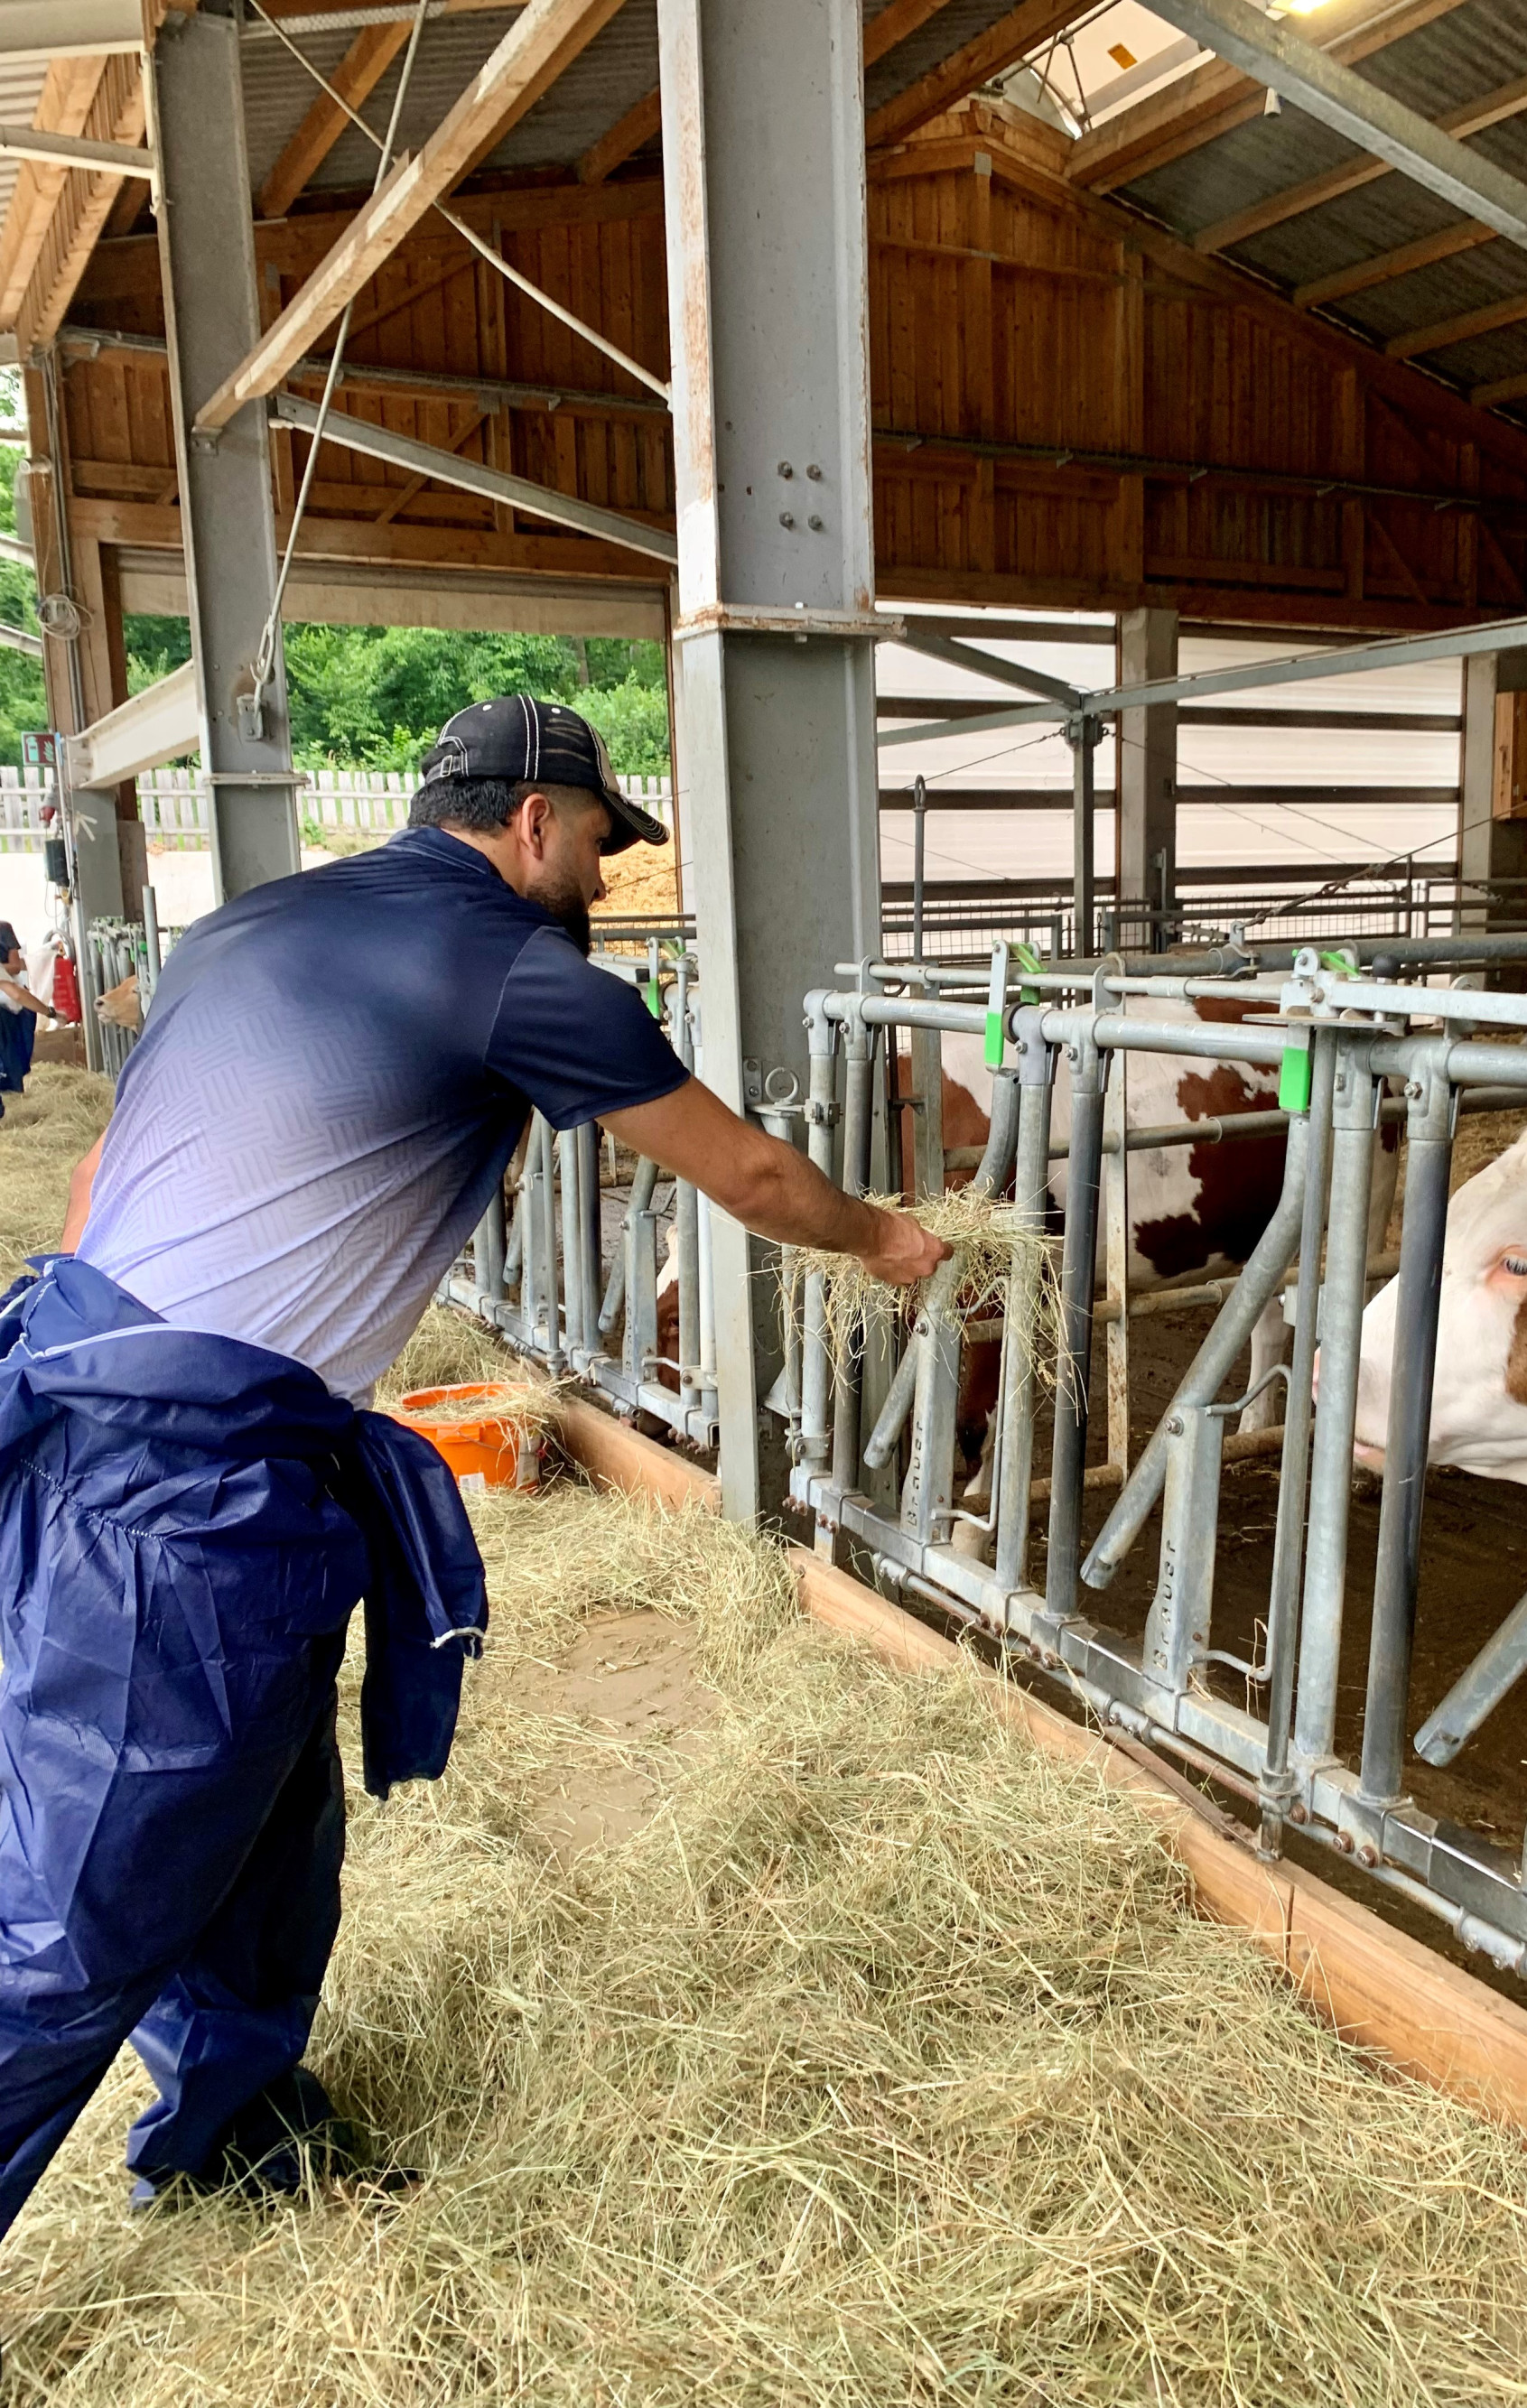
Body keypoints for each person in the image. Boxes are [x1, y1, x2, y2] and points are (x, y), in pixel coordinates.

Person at [0, 695, 947, 2240]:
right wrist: (891, 1241)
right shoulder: (522, 971)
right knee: (78, 1913)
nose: (604, 876)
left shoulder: (245, 928)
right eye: (595, 841)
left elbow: (105, 1169)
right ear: (529, 819)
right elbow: (759, 1177)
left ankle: (236, 2127)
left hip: (115, 1407)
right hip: (175, 1490)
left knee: (262, 1831)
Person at [0, 922, 56, 1106]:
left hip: (8, 1006)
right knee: (11, 1060)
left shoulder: (3, 928)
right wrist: (49, 1013)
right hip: (7, 1009)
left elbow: (15, 968)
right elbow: (17, 992)